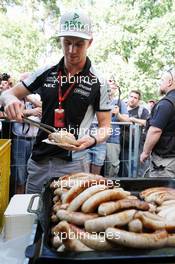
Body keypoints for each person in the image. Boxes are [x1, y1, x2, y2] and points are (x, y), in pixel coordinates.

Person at [0, 10, 111, 193]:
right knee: (34, 215)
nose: (71, 50)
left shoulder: (99, 82)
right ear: (60, 40)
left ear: (90, 42)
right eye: (67, 42)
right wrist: (10, 100)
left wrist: (91, 139)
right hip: (39, 161)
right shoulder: (46, 71)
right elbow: (7, 94)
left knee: (68, 216)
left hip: (74, 162)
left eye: (79, 44)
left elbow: (105, 126)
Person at [140, 68, 175, 177]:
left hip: (165, 162)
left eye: (162, 80)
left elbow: (155, 130)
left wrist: (145, 152)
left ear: (169, 82)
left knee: (163, 193)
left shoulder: (166, 104)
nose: (160, 83)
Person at [119, 90, 149, 177]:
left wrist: (134, 120)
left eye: (135, 98)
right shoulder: (121, 107)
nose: (132, 99)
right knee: (119, 167)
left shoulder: (142, 110)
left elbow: (147, 122)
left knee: (131, 169)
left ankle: (131, 186)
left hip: (134, 145)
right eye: (131, 96)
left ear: (139, 100)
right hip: (119, 143)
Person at [105, 80, 129, 178]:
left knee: (112, 167)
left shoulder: (119, 103)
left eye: (113, 87)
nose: (110, 88)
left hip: (112, 140)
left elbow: (127, 121)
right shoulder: (98, 100)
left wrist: (118, 114)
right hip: (96, 139)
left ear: (116, 90)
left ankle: (110, 188)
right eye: (109, 86)